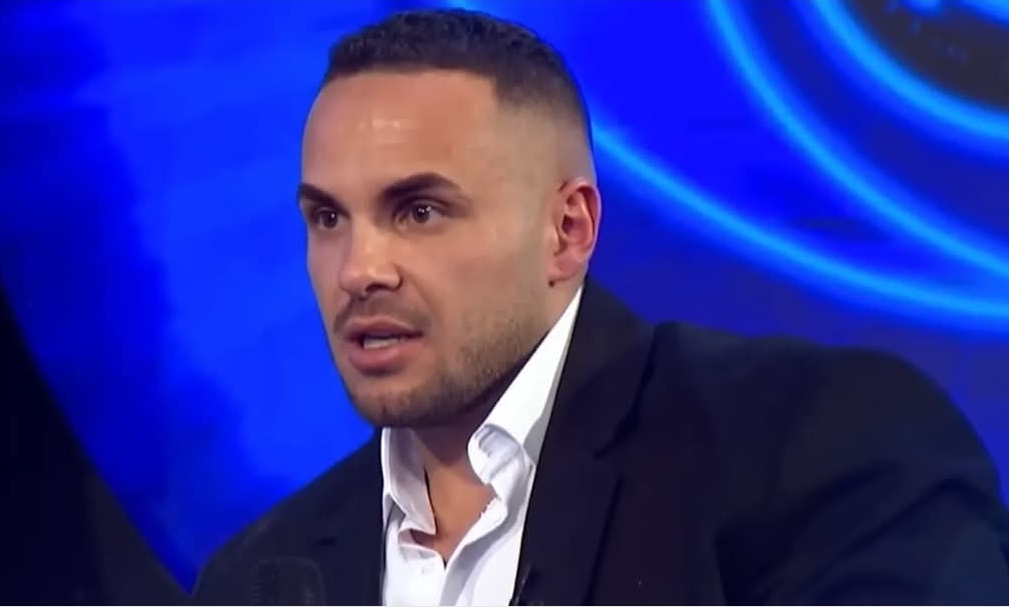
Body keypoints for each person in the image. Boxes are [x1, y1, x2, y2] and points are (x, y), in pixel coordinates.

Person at [192, 8, 1009, 605]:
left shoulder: (816, 446)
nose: (358, 269)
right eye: (327, 218)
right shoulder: (256, 574)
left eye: (419, 211)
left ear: (567, 231)